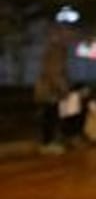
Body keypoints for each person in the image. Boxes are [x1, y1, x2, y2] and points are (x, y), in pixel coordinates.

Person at [34, 25, 70, 154]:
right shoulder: (56, 50)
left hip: (50, 89)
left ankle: (49, 141)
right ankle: (47, 143)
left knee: (51, 115)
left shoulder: (56, 49)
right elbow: (54, 72)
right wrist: (63, 89)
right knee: (50, 115)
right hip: (51, 90)